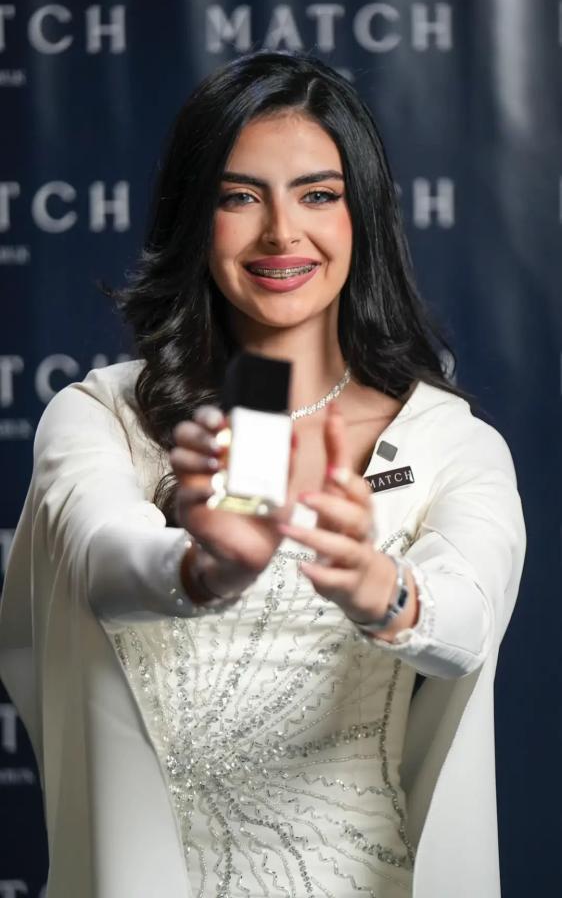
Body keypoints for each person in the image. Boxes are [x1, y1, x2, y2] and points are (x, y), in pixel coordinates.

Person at [0, 51, 525, 898]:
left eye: (318, 195)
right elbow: (101, 561)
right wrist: (205, 567)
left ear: (363, 216)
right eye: (240, 197)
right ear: (193, 216)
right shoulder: (101, 416)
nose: (282, 233)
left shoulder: (450, 442)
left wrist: (382, 589)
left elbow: (467, 616)